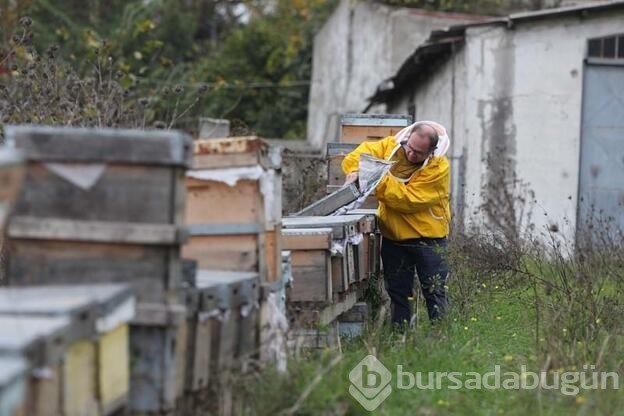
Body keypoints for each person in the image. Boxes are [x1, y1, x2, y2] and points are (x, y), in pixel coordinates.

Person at [342, 121, 451, 328]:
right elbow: (358, 155)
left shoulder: (439, 169)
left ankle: (441, 337)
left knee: (435, 291)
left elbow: (407, 200)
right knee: (398, 293)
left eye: (418, 153)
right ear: (406, 139)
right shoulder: (390, 146)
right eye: (409, 148)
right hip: (394, 237)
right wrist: (358, 170)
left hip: (429, 240)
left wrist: (373, 176)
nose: (411, 155)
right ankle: (400, 336)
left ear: (431, 152)